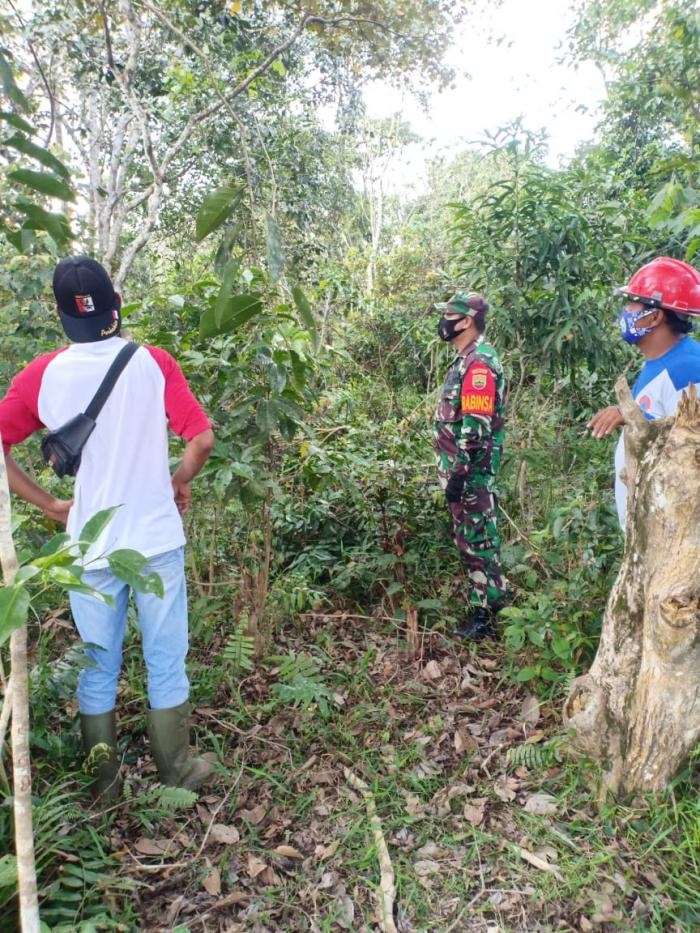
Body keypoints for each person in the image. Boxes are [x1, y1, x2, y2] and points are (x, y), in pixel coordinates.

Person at [0, 256, 215, 799]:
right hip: (155, 541)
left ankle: (105, 782)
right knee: (166, 657)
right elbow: (201, 439)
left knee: (98, 662)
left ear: (58, 313)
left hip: (92, 547)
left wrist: (51, 504)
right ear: (114, 305)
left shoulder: (41, 376)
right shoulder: (152, 362)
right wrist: (177, 480)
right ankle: (176, 770)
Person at [588, 257, 700, 528]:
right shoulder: (659, 363)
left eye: (632, 303)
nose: (625, 312)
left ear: (655, 315)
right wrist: (631, 416)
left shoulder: (687, 369)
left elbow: (690, 451)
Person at [433, 291, 508, 641]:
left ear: (467, 321)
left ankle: (486, 618)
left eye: (450, 315)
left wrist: (460, 475)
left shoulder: (478, 364)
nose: (444, 321)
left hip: (471, 474)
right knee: (472, 540)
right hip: (463, 473)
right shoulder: (466, 359)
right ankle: (489, 606)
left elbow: (474, 429)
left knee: (478, 542)